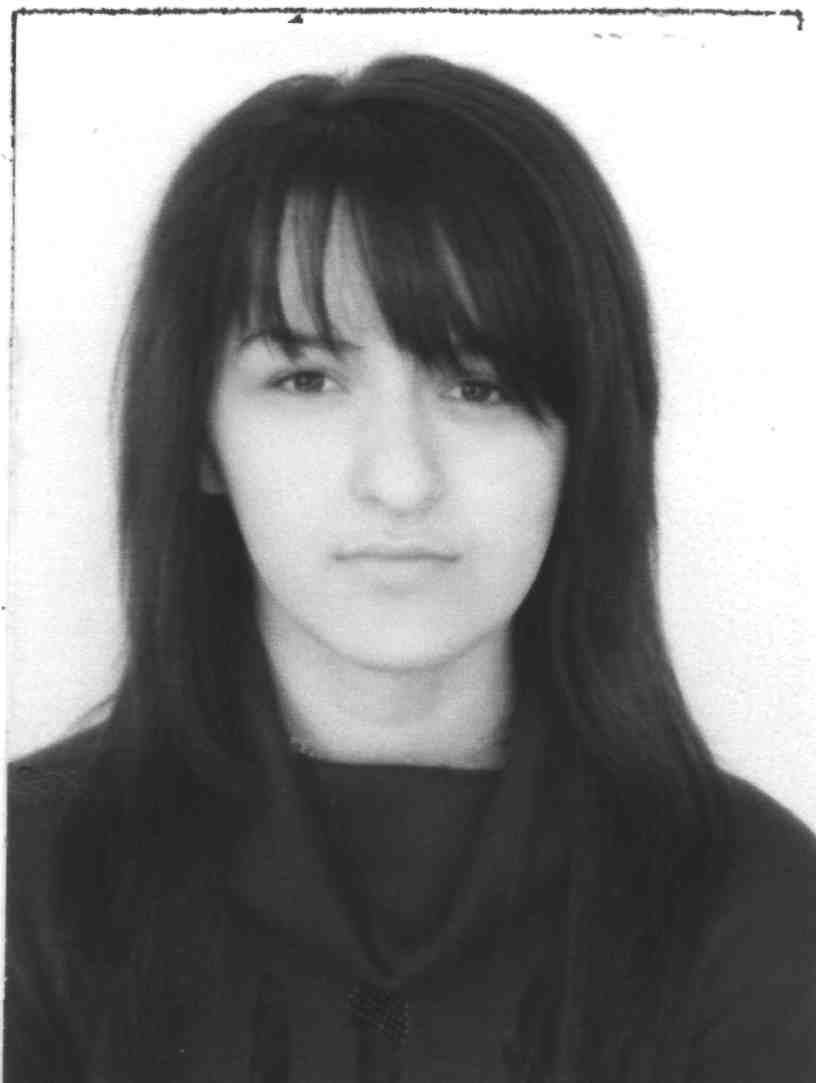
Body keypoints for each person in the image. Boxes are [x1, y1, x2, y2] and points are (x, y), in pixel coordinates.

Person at [5, 53, 816, 1083]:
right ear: (198, 434)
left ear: (587, 442)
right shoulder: (26, 881)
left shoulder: (753, 906)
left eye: (478, 386)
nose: (399, 480)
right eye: (306, 379)